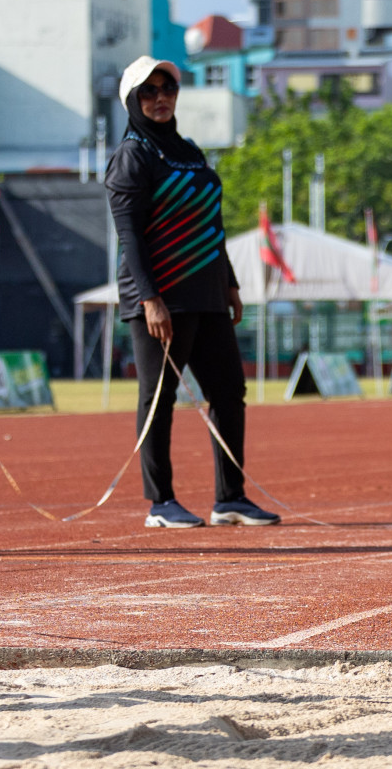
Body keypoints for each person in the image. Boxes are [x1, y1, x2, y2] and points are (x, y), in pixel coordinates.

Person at [106, 56, 279, 529]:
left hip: (207, 295)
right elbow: (130, 236)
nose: (160, 98)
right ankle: (160, 503)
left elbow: (212, 224)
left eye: (168, 88)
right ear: (132, 101)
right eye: (148, 91)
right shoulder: (132, 156)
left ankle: (231, 498)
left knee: (228, 391)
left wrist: (230, 281)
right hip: (160, 298)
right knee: (158, 397)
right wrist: (150, 299)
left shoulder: (189, 150)